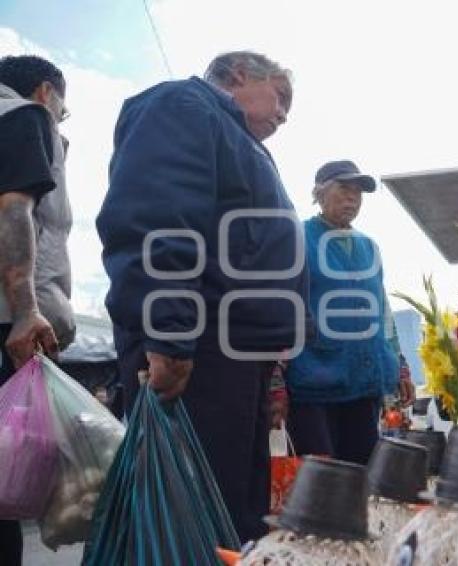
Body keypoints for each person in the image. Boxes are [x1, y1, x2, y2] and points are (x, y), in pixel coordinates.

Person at [97, 51, 310, 542]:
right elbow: (159, 214)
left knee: (233, 514)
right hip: (200, 346)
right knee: (193, 520)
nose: (284, 115)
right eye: (281, 97)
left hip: (234, 352)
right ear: (239, 75)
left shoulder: (240, 141)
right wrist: (169, 332)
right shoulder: (183, 104)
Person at [285, 160, 413, 465]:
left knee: (361, 476)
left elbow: (382, 311)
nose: (352, 197)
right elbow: (283, 307)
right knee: (321, 480)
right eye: (344, 188)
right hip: (315, 382)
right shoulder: (298, 238)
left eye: (359, 192)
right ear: (319, 193)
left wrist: (400, 365)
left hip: (363, 383)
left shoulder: (368, 247)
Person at [0, 54, 73, 566]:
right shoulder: (25, 115)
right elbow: (13, 208)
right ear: (45, 91)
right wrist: (26, 310)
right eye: (63, 108)